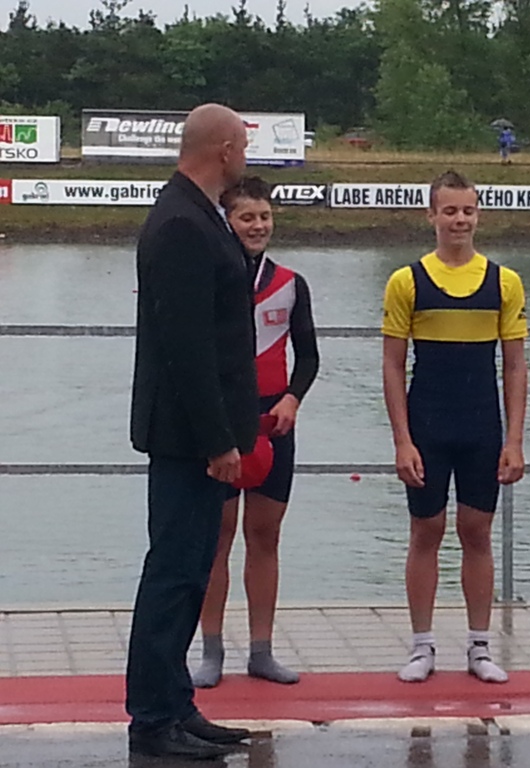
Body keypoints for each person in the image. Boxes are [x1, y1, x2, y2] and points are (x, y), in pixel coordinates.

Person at [127, 103, 257, 759]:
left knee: (191, 571)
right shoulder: (181, 222)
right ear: (224, 149)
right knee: (174, 572)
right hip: (186, 437)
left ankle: (176, 703)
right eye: (243, 148)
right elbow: (187, 347)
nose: (246, 158)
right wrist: (218, 440)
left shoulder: (198, 214)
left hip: (197, 432)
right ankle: (153, 717)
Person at [382, 170, 527, 684]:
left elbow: (515, 366)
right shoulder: (407, 281)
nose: (459, 220)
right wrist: (402, 440)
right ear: (432, 216)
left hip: (481, 425)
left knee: (476, 531)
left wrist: (514, 440)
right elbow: (393, 366)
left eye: (467, 211)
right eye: (449, 211)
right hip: (428, 423)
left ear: (478, 215)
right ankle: (422, 646)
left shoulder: (504, 282)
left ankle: (480, 646)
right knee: (426, 530)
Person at [191, 175, 320, 689]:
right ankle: (211, 651)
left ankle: (262, 651)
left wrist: (293, 398)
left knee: (264, 537)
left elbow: (308, 356)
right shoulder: (210, 278)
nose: (258, 226)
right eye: (247, 217)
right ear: (227, 222)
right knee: (216, 539)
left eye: (264, 217)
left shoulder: (291, 283)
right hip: (223, 422)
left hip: (273, 421)